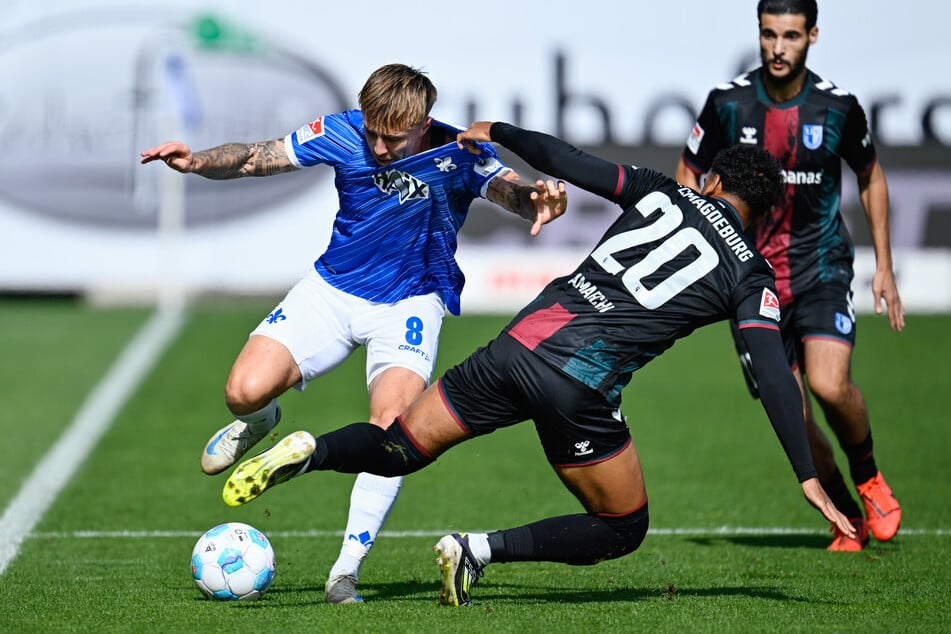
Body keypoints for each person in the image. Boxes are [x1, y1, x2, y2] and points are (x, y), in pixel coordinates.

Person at [219, 121, 856, 607]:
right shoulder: (750, 271)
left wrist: (499, 131)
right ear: (764, 214)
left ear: (712, 181)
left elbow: (571, 164)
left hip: (516, 345)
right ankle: (477, 550)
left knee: (397, 449)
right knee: (622, 527)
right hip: (580, 385)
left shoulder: (666, 191)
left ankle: (311, 450)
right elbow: (772, 370)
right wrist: (806, 471)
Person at [140, 64, 567, 603]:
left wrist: (537, 201)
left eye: (394, 136)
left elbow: (508, 190)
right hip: (333, 290)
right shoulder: (342, 131)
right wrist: (195, 161)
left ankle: (345, 570)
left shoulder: (459, 152)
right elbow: (256, 156)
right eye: (373, 132)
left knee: (393, 431)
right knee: (241, 391)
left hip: (410, 303)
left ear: (423, 122)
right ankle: (262, 418)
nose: (381, 146)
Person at [674, 0, 904, 552]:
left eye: (792, 36)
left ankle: (868, 475)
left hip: (820, 266)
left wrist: (885, 268)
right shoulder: (728, 103)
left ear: (813, 36)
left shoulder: (838, 107)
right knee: (794, 414)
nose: (779, 48)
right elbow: (689, 170)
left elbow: (870, 179)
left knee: (828, 385)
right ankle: (846, 515)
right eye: (770, 34)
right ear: (759, 33)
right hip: (749, 282)